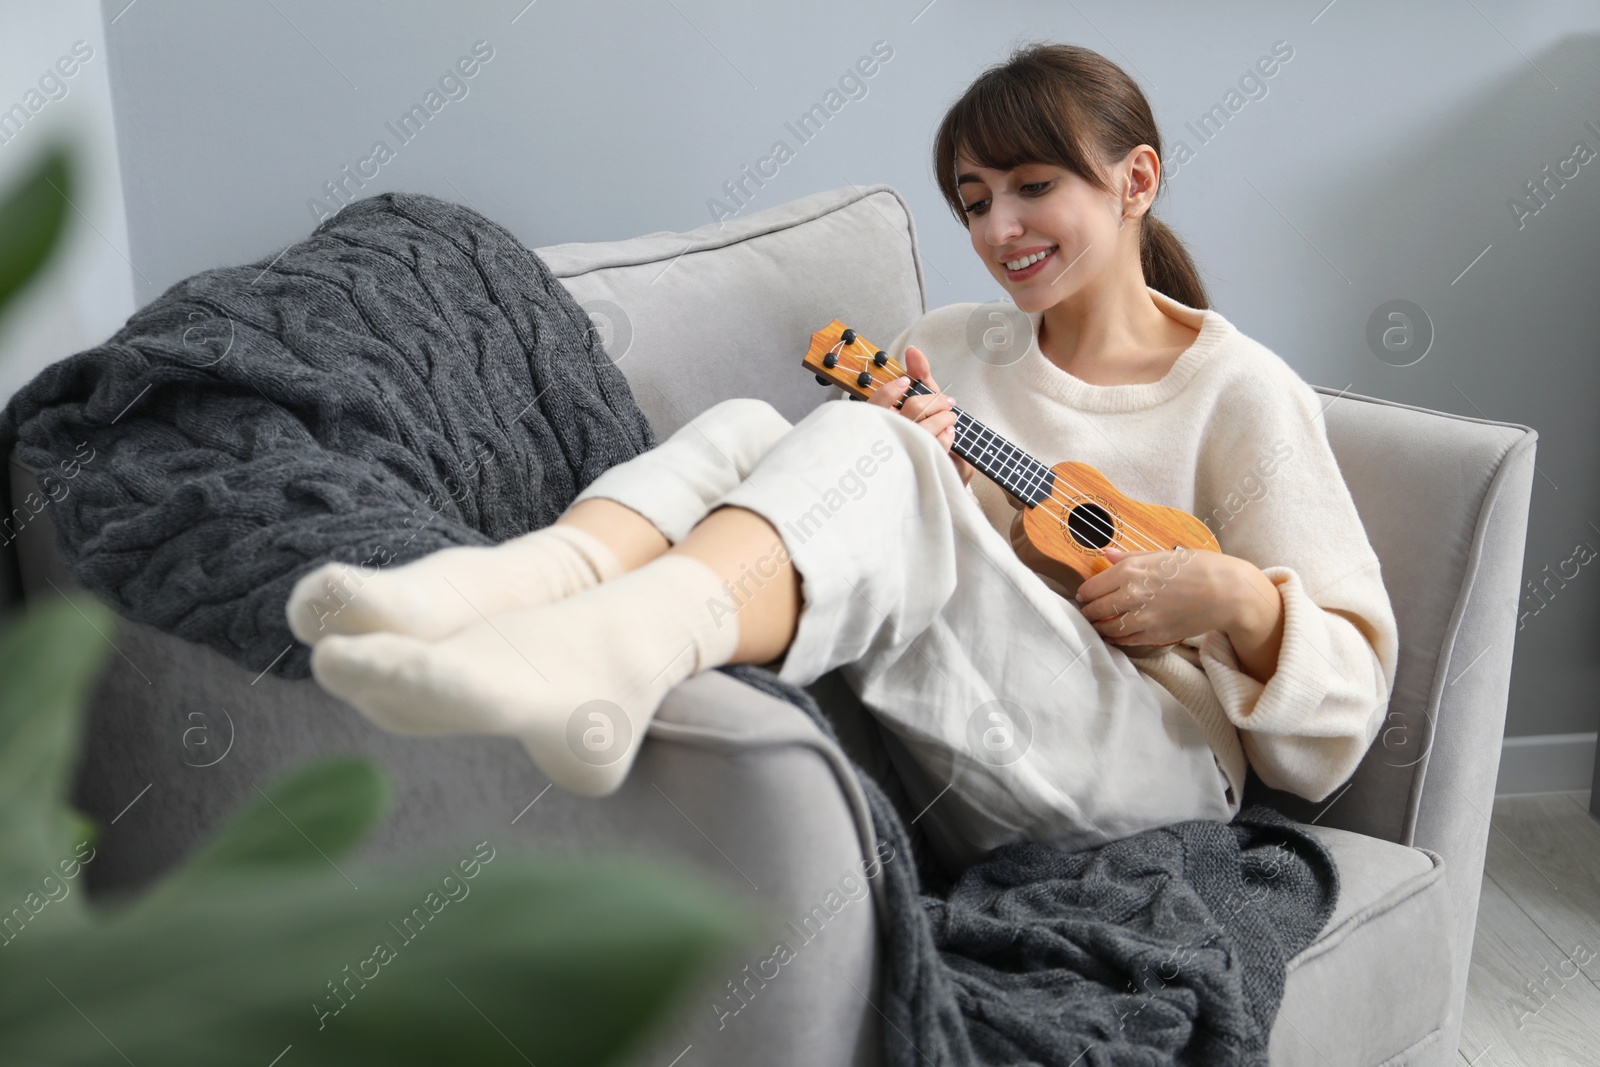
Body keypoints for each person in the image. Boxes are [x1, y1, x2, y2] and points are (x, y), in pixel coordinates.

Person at [287, 42, 1398, 871]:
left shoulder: (1238, 389)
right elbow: (907, 554)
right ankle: (507, 589)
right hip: (964, 725)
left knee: (869, 447)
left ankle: (608, 650)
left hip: (1152, 769)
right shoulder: (949, 347)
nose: (997, 228)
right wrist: (938, 483)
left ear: (1133, 180)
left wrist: (1234, 597)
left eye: (1031, 186)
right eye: (973, 201)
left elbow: (1345, 709)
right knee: (747, 430)